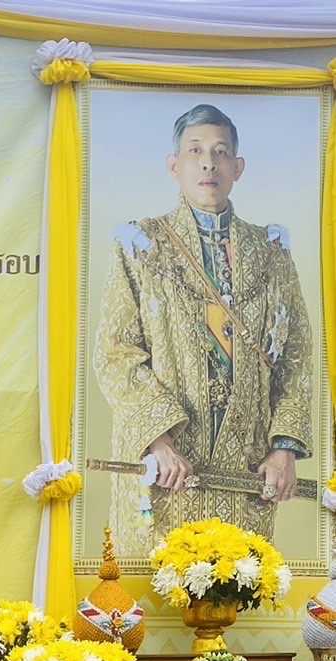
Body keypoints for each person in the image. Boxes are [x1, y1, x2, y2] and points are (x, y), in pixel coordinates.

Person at [94, 103, 312, 557]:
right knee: (156, 604)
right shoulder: (140, 244)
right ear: (175, 166)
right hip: (170, 467)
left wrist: (284, 449)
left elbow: (295, 356)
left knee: (237, 597)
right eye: (195, 151)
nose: (208, 162)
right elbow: (116, 352)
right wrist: (158, 439)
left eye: (220, 151)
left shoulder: (272, 252)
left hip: (246, 471)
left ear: (238, 167)